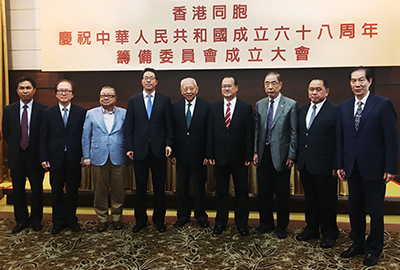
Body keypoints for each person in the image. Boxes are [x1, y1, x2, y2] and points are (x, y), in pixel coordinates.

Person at [337, 67, 398, 266]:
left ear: (369, 81)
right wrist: (340, 163)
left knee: (376, 211)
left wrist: (391, 167)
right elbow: (341, 138)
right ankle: (357, 243)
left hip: (375, 168)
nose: (357, 84)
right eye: (353, 81)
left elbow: (392, 138)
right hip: (351, 168)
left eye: (361, 80)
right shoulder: (344, 106)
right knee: (354, 209)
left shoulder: (382, 104)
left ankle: (373, 248)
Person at [124, 67, 173, 233]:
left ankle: (159, 219)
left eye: (152, 78)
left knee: (160, 187)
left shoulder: (165, 100)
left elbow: (169, 125)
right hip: (139, 150)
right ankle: (141, 220)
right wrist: (129, 147)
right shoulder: (133, 100)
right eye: (146, 78)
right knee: (140, 186)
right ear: (141, 81)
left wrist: (168, 143)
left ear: (156, 81)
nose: (149, 81)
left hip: (159, 150)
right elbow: (128, 126)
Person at [253, 71, 297, 239]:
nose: (269, 87)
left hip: (282, 156)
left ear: (280, 85)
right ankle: (266, 223)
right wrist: (255, 151)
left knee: (282, 194)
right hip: (263, 155)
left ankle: (282, 226)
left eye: (273, 83)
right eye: (266, 84)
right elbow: (257, 130)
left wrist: (292, 155)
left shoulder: (290, 104)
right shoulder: (260, 104)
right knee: (263, 193)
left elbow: (293, 132)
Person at [207, 76, 253, 236]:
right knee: (221, 192)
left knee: (241, 193)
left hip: (240, 159)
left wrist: (248, 156)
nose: (226, 89)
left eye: (229, 86)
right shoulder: (214, 108)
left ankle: (242, 224)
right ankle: (220, 223)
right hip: (220, 158)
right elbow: (210, 134)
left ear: (236, 88)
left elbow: (249, 134)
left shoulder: (245, 108)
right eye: (223, 86)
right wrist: (210, 153)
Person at [40, 79, 87, 234]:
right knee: (56, 192)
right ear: (56, 94)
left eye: (67, 91)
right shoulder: (48, 113)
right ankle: (58, 222)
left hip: (74, 157)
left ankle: (72, 220)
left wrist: (83, 154)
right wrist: (44, 157)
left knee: (73, 191)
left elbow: (84, 136)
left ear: (72, 94)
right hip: (55, 159)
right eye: (61, 91)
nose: (64, 93)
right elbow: (43, 137)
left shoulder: (81, 112)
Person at [296, 77, 339, 248]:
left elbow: (339, 140)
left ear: (326, 91)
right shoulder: (302, 110)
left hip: (326, 165)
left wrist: (337, 163)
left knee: (327, 200)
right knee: (311, 199)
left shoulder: (335, 111)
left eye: (318, 89)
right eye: (311, 89)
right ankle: (312, 228)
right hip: (306, 163)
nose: (314, 92)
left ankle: (329, 232)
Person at [2, 76, 47, 233]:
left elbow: (44, 135)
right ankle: (21, 221)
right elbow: (7, 132)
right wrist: (18, 145)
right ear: (17, 91)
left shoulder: (43, 109)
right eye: (22, 88)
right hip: (17, 156)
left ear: (34, 90)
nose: (25, 91)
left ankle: (36, 220)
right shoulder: (9, 110)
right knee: (18, 191)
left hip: (35, 157)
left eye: (28, 88)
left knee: (37, 190)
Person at [82, 86, 126, 232]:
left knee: (118, 191)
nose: (106, 98)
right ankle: (101, 219)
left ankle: (116, 218)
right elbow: (85, 136)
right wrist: (86, 156)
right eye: (103, 95)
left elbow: (128, 135)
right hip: (97, 157)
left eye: (109, 95)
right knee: (100, 191)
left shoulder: (124, 113)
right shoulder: (91, 114)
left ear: (115, 98)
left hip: (118, 156)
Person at [171, 77, 210, 228]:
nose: (188, 91)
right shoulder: (174, 106)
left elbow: (209, 133)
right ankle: (183, 215)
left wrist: (208, 154)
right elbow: (171, 131)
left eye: (191, 88)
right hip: (180, 155)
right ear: (181, 90)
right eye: (185, 89)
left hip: (200, 156)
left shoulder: (206, 106)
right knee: (182, 188)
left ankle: (201, 215)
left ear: (197, 89)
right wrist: (173, 153)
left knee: (200, 188)